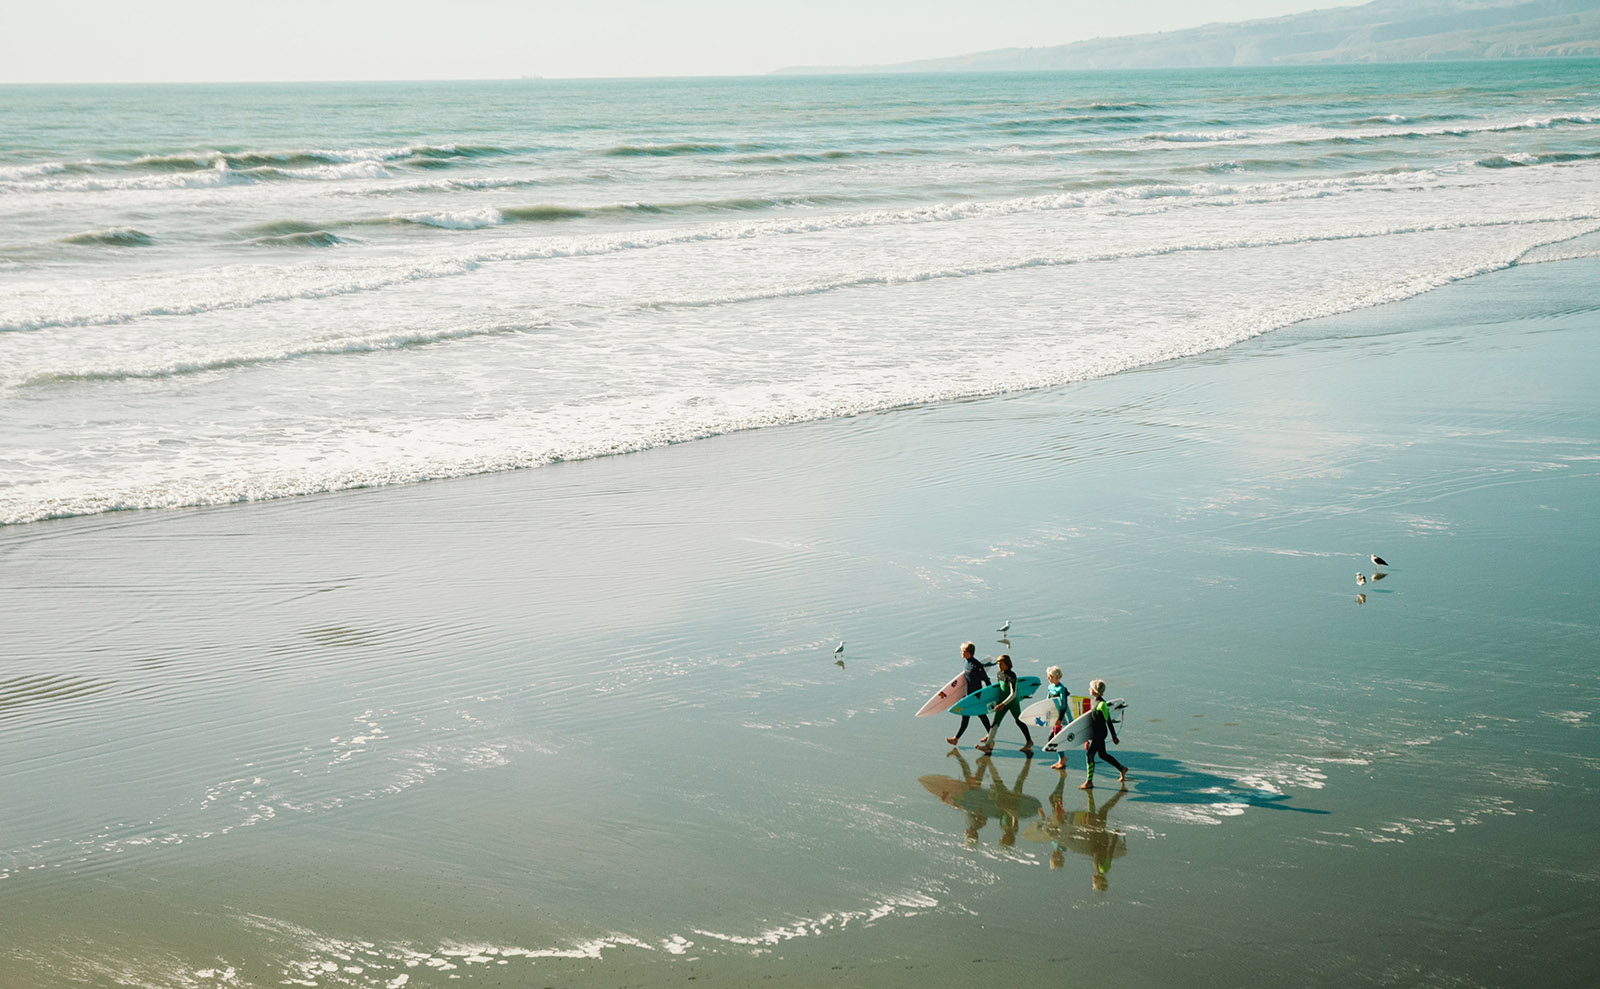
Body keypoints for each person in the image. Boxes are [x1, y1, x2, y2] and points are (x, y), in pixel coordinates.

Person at [976, 654, 1034, 755]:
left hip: (1012, 702)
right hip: (1001, 702)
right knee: (995, 722)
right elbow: (999, 689)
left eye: (1001, 664)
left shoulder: (1011, 676)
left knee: (1019, 721)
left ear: (1007, 664)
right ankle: (988, 745)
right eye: (998, 664)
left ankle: (1029, 741)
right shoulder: (999, 674)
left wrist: (1002, 704)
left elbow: (1013, 694)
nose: (999, 666)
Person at [1079, 679, 1126, 789]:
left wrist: (1114, 736)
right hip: (1094, 733)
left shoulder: (1102, 704)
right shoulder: (1093, 702)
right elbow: (1088, 722)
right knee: (1102, 754)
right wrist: (1087, 739)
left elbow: (1108, 721)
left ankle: (1089, 781)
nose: (1089, 689)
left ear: (1095, 690)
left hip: (1100, 733)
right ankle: (1122, 768)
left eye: (1090, 688)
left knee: (1090, 754)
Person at [945, 641, 993, 746]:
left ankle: (956, 738)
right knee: (979, 715)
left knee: (971, 715)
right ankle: (990, 735)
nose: (960, 652)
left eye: (962, 651)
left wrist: (988, 695)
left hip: (976, 696)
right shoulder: (965, 662)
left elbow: (986, 680)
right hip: (969, 695)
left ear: (968, 652)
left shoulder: (976, 665)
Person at [1044, 666, 1072, 770]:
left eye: (1050, 676)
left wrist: (1060, 719)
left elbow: (1064, 705)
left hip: (1060, 717)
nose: (1048, 678)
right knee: (1052, 738)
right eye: (1048, 676)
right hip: (1053, 716)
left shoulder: (1062, 689)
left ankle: (1062, 759)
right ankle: (1061, 758)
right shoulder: (1050, 686)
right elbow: (1047, 700)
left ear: (1056, 677)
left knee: (1055, 738)